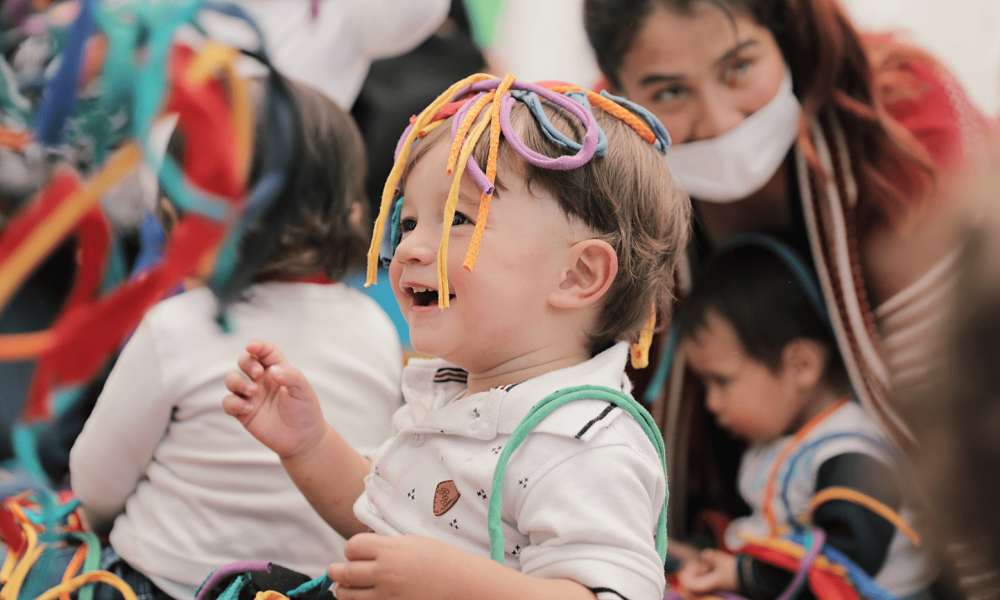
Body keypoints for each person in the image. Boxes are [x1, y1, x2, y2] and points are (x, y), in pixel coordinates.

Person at [223, 74, 690, 600]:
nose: (412, 250)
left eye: (458, 220)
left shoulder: (583, 443)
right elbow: (386, 525)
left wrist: (448, 584)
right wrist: (309, 447)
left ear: (577, 275)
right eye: (410, 222)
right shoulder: (453, 392)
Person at [583, 0, 992, 536]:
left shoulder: (905, 115)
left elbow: (965, 390)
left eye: (740, 67)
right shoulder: (600, 171)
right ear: (619, 93)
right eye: (670, 92)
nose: (720, 119)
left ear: (787, 37)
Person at [68, 72, 403, 600]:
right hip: (311, 590)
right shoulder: (377, 328)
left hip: (164, 585)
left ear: (180, 222)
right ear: (353, 215)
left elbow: (95, 484)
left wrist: (88, 519)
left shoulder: (175, 327)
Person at [675, 238, 934, 600]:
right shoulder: (775, 448)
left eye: (721, 381)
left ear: (801, 365)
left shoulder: (853, 452)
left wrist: (744, 576)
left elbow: (844, 562)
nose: (711, 403)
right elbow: (758, 531)